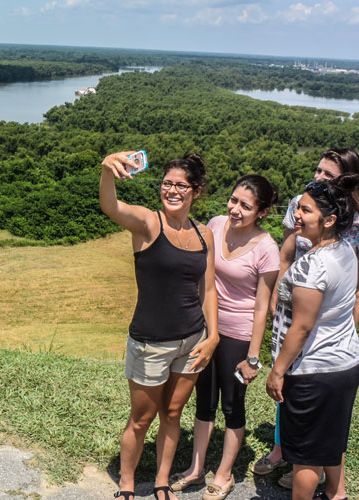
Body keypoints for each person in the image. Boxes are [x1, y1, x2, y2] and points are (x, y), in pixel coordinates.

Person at [256, 148, 359, 500]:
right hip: (345, 361)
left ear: (328, 219)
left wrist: (277, 371)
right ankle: (337, 494)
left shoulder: (314, 265)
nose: (296, 214)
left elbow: (303, 327)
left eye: (305, 210)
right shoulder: (342, 249)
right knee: (328, 441)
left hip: (314, 365)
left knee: (306, 458)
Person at [99, 152, 220, 500]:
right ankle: (126, 484)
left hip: (192, 340)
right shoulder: (148, 223)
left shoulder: (204, 234)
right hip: (150, 342)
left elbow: (208, 288)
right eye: (167, 183)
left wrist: (213, 336)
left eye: (181, 185)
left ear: (196, 191)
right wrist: (107, 169)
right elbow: (111, 206)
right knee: (142, 418)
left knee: (172, 413)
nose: (172, 190)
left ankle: (162, 481)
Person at [170, 175, 280, 500]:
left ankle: (224, 473)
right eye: (233, 200)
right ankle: (196, 468)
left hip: (239, 335)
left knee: (232, 404)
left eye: (245, 206)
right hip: (207, 328)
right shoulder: (216, 225)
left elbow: (261, 308)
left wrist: (253, 357)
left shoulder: (267, 248)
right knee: (204, 398)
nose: (235, 209)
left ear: (261, 212)